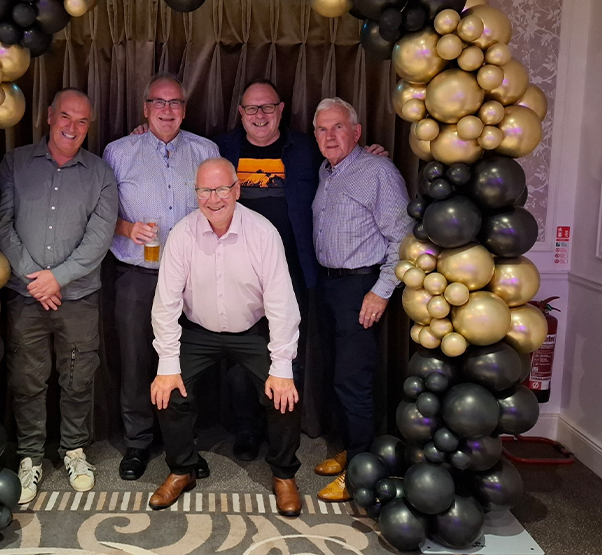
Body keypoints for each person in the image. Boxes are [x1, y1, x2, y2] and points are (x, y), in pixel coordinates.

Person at [213, 80, 388, 462]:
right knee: (239, 356)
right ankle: (247, 429)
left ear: (281, 110)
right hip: (233, 271)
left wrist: (371, 153)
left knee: (288, 354)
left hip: (292, 274)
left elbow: (345, 162)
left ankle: (284, 434)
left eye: (267, 108)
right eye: (251, 109)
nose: (260, 115)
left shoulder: (307, 149)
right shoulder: (221, 149)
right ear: (240, 113)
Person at [148, 158, 303, 517]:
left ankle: (283, 474)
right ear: (196, 192)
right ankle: (182, 469)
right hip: (199, 331)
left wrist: (282, 367)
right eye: (204, 190)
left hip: (251, 331)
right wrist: (167, 365)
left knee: (285, 393)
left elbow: (282, 303)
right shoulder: (182, 235)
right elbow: (165, 304)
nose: (213, 198)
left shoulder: (263, 233)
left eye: (221, 189)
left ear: (236, 189)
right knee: (168, 389)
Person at [0, 88, 118, 504]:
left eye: (82, 121)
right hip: (26, 296)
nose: (73, 127)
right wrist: (37, 279)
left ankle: (74, 450)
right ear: (49, 116)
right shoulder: (15, 163)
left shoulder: (100, 173)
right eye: (66, 116)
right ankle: (29, 457)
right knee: (28, 379)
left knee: (78, 378)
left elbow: (99, 239)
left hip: (79, 297)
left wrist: (58, 279)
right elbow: (1, 224)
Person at [102, 74, 220, 481]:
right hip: (137, 274)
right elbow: (101, 215)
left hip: (191, 277)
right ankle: (137, 443)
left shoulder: (206, 150)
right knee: (136, 360)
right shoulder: (118, 152)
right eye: (159, 103)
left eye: (175, 103)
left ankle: (182, 445)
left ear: (185, 109)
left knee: (187, 363)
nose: (167, 110)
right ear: (145, 109)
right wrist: (126, 229)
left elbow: (220, 206)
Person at [310, 97, 414, 502]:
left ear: (356, 131)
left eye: (338, 127)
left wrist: (381, 291)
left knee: (353, 381)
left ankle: (360, 472)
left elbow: (403, 237)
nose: (330, 135)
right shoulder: (327, 171)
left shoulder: (378, 172)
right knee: (337, 374)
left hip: (361, 287)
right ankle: (353, 450)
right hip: (329, 286)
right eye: (322, 129)